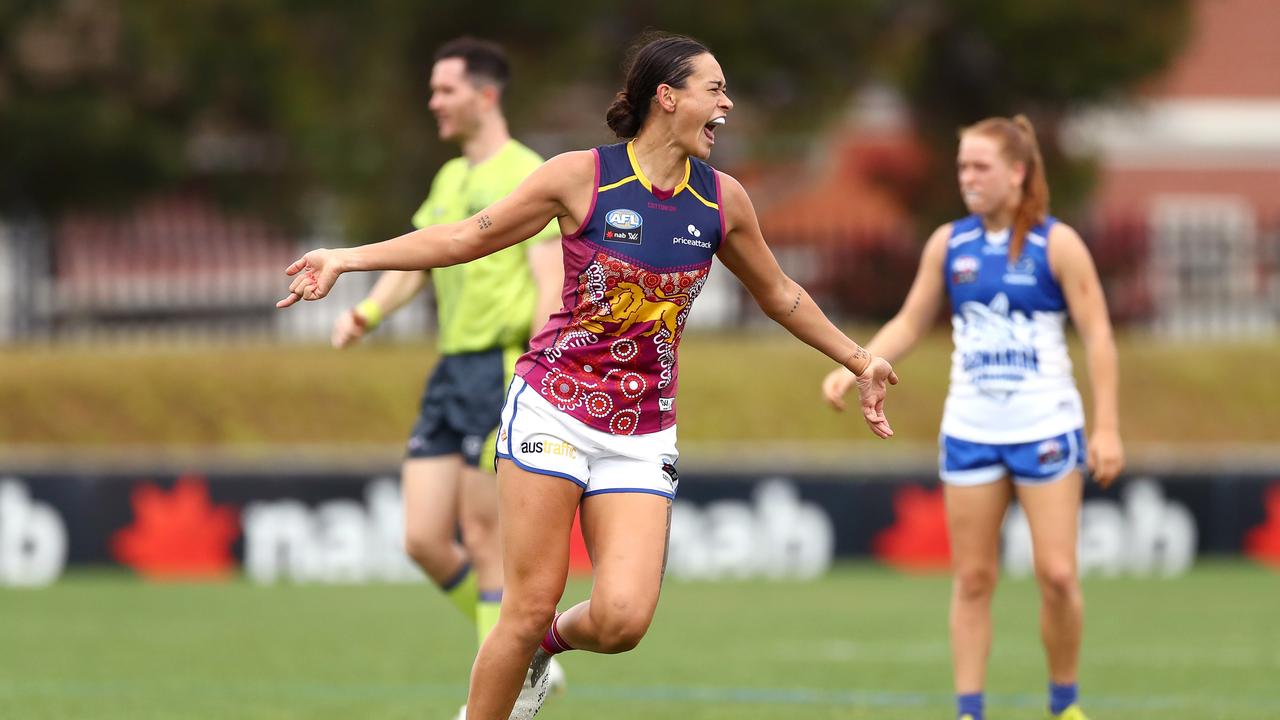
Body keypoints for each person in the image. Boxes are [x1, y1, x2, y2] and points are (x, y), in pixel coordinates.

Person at [280, 33, 899, 720]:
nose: (727, 103)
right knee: (527, 601)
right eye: (714, 88)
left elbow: (781, 293)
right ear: (667, 97)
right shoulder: (582, 177)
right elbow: (466, 236)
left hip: (642, 430)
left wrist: (860, 358)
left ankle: (546, 649)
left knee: (623, 621)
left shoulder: (723, 202)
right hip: (553, 409)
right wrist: (346, 258)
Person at [822, 114, 1124, 720]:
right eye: (962, 166)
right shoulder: (948, 243)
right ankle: (969, 711)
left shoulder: (1056, 242)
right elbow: (910, 320)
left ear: (1017, 172)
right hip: (971, 432)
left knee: (1059, 574)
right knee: (973, 578)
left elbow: (1097, 335)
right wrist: (858, 362)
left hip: (1045, 429)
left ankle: (1064, 704)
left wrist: (1107, 426)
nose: (968, 178)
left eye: (981, 166)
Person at [326, 37, 564, 716]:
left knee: (486, 539)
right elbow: (420, 262)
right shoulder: (450, 178)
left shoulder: (528, 172)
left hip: (502, 366)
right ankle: (524, 653)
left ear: (485, 96)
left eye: (445, 90)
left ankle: (506, 691)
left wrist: (535, 368)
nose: (433, 102)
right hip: (451, 370)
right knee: (425, 539)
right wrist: (367, 313)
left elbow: (550, 277)